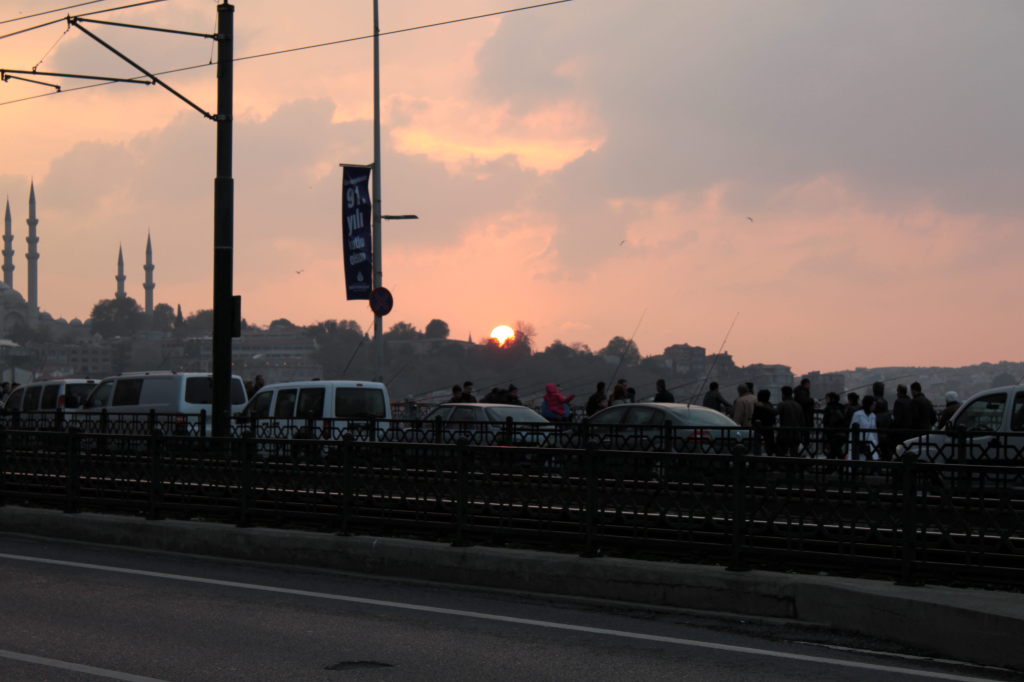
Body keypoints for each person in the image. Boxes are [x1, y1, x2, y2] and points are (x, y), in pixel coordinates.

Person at [776, 386, 805, 456]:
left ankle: (783, 466)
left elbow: (774, 412)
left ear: (783, 394)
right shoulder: (798, 405)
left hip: (784, 434)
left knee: (781, 453)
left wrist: (763, 406)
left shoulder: (782, 404)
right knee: (794, 454)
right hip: (796, 433)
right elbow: (802, 421)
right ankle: (793, 466)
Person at [848, 395, 879, 461]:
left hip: (871, 444)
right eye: (873, 405)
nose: (874, 407)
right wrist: (851, 446)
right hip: (860, 444)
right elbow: (852, 431)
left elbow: (874, 431)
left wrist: (876, 443)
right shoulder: (857, 414)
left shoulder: (873, 416)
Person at [821, 391, 847, 459]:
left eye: (827, 398)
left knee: (834, 451)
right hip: (842, 433)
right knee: (835, 451)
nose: (826, 400)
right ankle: (833, 467)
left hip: (833, 433)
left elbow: (826, 421)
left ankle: (832, 467)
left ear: (832, 399)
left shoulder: (828, 408)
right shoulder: (841, 407)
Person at [752, 389, 777, 455]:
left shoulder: (758, 406)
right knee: (769, 446)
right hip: (769, 428)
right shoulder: (770, 405)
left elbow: (755, 417)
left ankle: (759, 461)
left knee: (758, 447)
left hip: (760, 429)